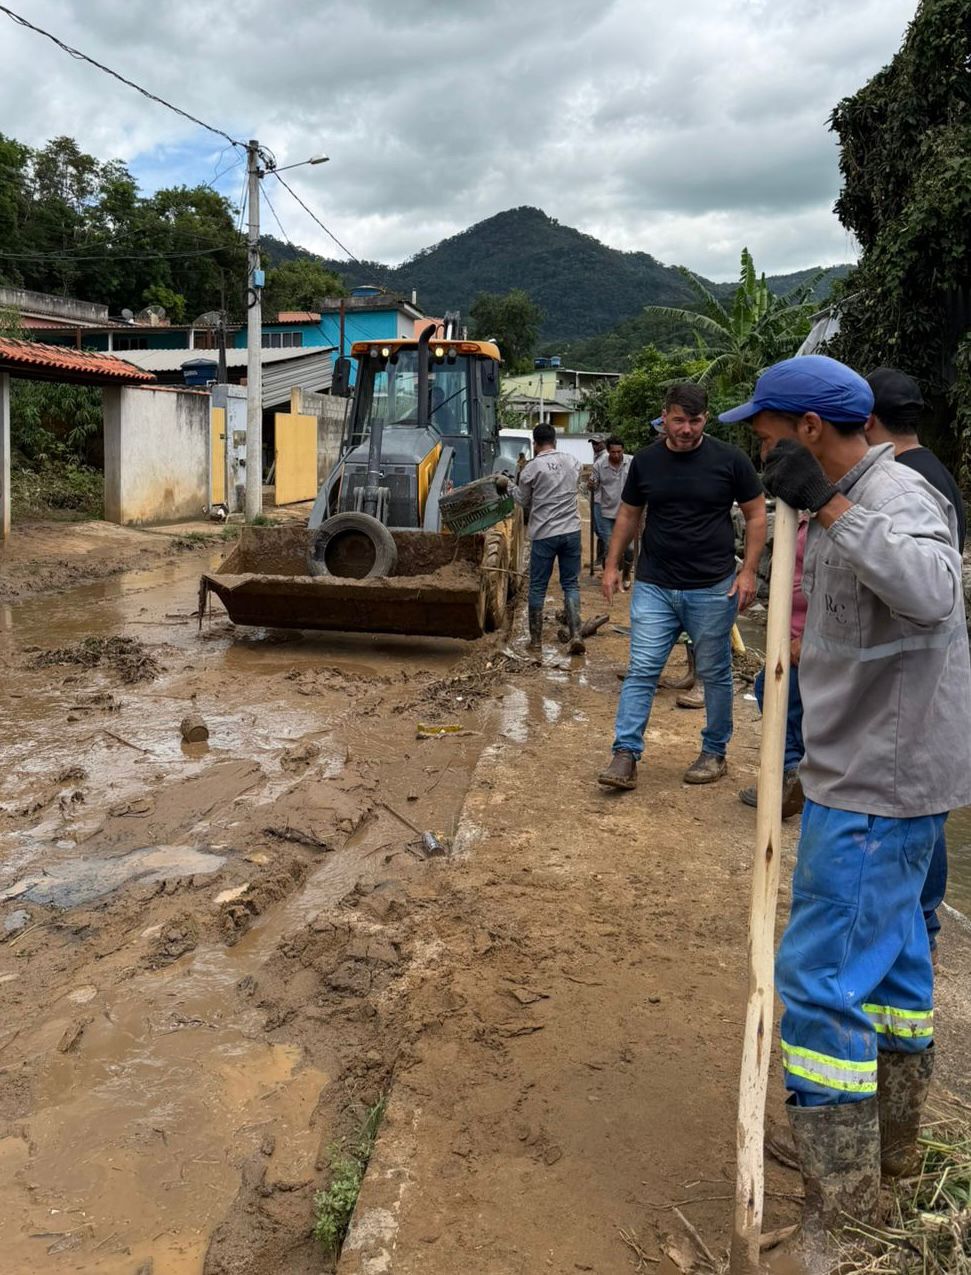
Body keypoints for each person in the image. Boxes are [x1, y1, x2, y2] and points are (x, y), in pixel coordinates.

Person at [719, 354, 971, 1272]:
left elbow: (933, 591)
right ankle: (892, 1159)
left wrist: (826, 509)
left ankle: (841, 1208)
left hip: (877, 780)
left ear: (809, 431)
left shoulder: (894, 497)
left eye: (767, 429)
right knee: (899, 967)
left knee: (820, 977)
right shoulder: (834, 501)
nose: (758, 443)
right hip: (866, 767)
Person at [597, 383, 766, 789]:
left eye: (695, 420)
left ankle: (714, 751)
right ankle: (625, 754)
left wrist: (748, 573)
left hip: (712, 587)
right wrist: (611, 565)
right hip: (655, 585)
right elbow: (628, 514)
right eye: (679, 420)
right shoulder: (648, 462)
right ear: (665, 417)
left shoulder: (730, 460)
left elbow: (756, 515)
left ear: (706, 418)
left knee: (715, 672)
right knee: (642, 668)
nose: (687, 429)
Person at [866, 366, 967, 960]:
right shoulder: (940, 476)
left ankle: (921, 922)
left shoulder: (899, 484)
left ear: (869, 421)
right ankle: (924, 919)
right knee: (930, 801)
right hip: (939, 656)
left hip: (913, 661)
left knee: (918, 802)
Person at [737, 514, 808, 820]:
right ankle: (794, 776)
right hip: (791, 636)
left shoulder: (834, 516)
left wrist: (809, 635)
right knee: (786, 701)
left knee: (774, 692)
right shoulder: (807, 517)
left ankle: (792, 774)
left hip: (805, 642)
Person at [516, 423, 586, 655]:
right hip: (571, 532)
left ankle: (536, 641)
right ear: (554, 441)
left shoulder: (531, 468)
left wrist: (507, 486)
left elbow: (523, 501)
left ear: (535, 444)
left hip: (545, 534)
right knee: (570, 584)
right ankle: (576, 634)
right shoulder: (572, 461)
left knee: (537, 587)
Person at [589, 435, 634, 588]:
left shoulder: (632, 463)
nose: (616, 455)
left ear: (623, 450)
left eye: (619, 452)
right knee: (610, 546)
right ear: (608, 451)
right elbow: (593, 484)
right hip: (605, 511)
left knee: (629, 549)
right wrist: (592, 485)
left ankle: (626, 573)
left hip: (627, 512)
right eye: (613, 452)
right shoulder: (599, 465)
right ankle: (610, 576)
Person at [588, 436, 608, 568]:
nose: (595, 446)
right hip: (596, 497)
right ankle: (600, 559)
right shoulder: (598, 457)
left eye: (597, 444)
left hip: (602, 499)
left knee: (602, 531)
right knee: (598, 530)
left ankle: (606, 560)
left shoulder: (604, 458)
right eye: (593, 444)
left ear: (604, 444)